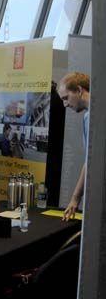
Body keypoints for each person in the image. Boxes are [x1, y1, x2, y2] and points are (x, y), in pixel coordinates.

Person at [58, 72, 90, 220]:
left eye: (66, 98)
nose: (65, 104)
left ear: (78, 90)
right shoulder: (88, 116)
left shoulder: (91, 117)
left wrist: (75, 198)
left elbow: (90, 161)